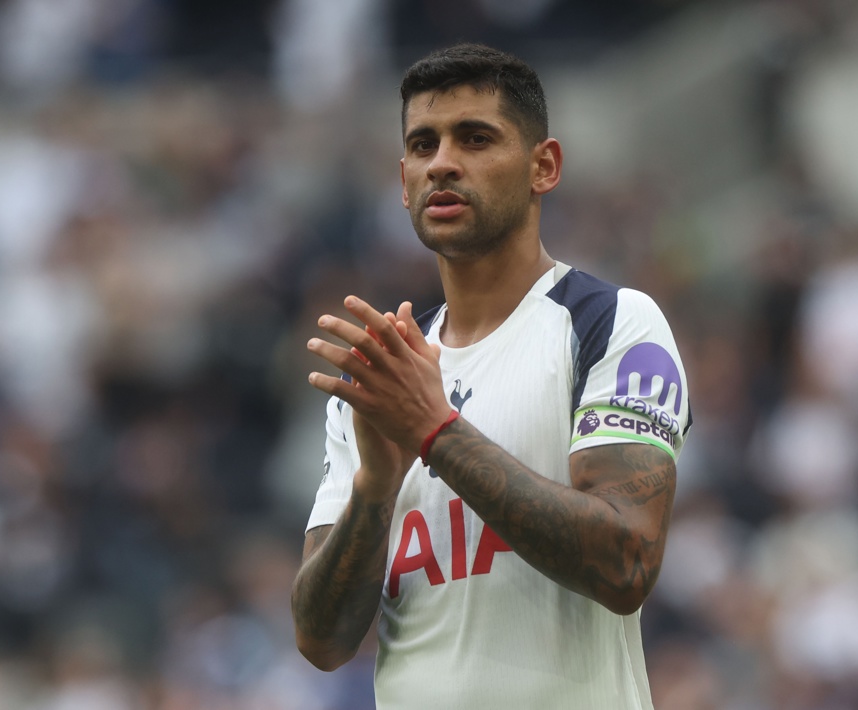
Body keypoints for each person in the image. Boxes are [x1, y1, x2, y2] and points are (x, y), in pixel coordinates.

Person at [291, 42, 692, 709]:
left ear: (544, 166)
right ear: (403, 182)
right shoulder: (386, 374)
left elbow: (627, 564)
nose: (442, 163)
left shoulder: (611, 322)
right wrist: (375, 489)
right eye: (422, 145)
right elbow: (321, 641)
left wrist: (435, 431)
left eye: (475, 139)